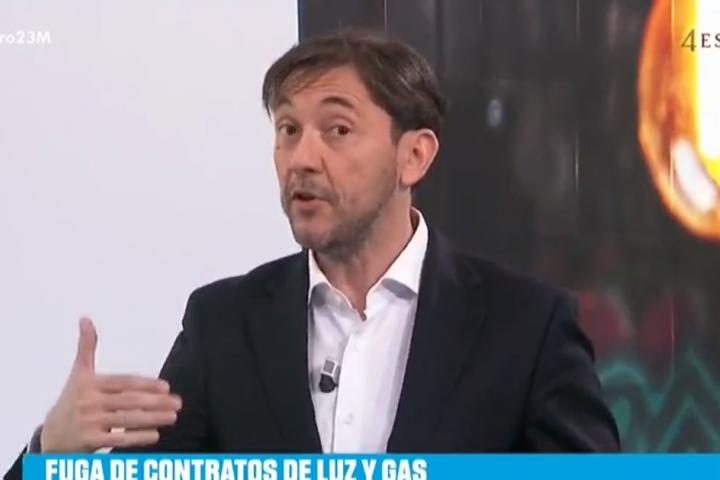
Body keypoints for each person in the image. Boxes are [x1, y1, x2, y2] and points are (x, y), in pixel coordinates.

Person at [5, 28, 619, 480]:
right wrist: (49, 453)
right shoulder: (225, 324)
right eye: (287, 130)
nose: (302, 158)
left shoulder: (526, 326)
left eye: (337, 130)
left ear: (414, 156)